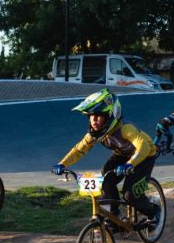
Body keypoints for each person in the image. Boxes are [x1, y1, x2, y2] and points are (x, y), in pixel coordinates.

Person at [51, 88, 161, 226]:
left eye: (98, 116)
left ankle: (153, 213)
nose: (94, 121)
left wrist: (130, 164)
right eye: (91, 116)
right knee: (105, 180)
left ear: (110, 115)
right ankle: (114, 217)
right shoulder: (94, 134)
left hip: (144, 156)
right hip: (122, 155)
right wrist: (62, 164)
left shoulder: (125, 128)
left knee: (129, 195)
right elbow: (79, 150)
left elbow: (143, 147)